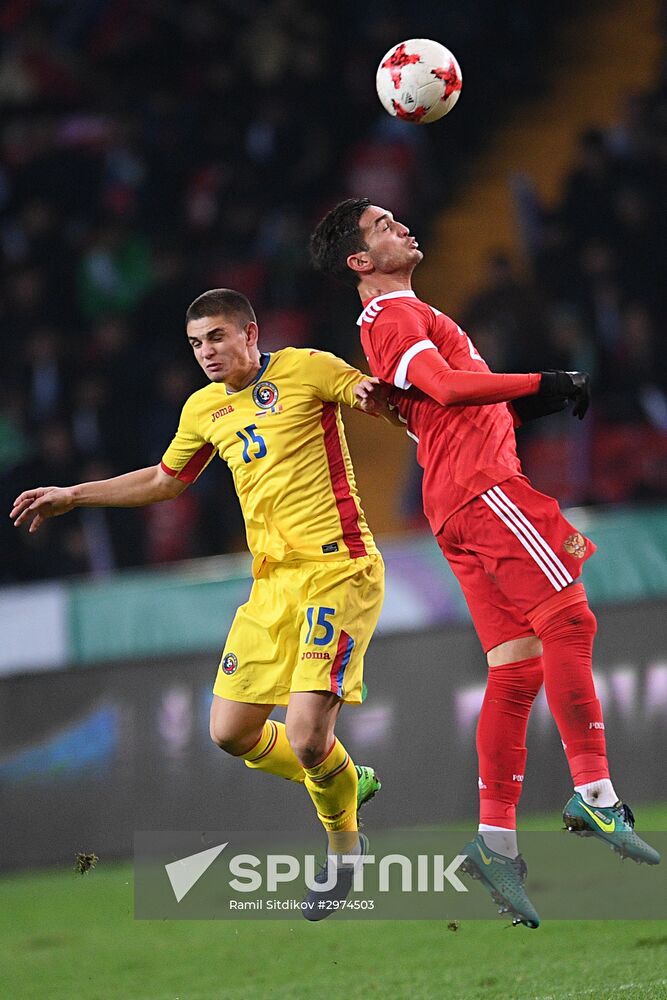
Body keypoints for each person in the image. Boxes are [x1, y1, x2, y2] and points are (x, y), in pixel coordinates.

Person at [310, 199, 660, 929]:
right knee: (570, 619)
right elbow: (446, 390)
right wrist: (545, 381)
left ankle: (494, 843)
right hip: (484, 491)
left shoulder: (396, 321)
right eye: (381, 226)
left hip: (457, 501)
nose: (401, 226)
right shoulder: (394, 316)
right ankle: (594, 796)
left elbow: (449, 408)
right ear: (359, 261)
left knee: (516, 667)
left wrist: (535, 402)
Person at [10, 287, 387, 920]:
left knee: (304, 732)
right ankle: (344, 776)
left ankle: (344, 852)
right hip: (270, 585)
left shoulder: (308, 368)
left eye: (215, 337)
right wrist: (75, 494)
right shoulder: (204, 408)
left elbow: (375, 398)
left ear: (249, 333)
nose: (205, 353)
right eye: (195, 344)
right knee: (230, 732)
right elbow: (164, 481)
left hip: (337, 571)